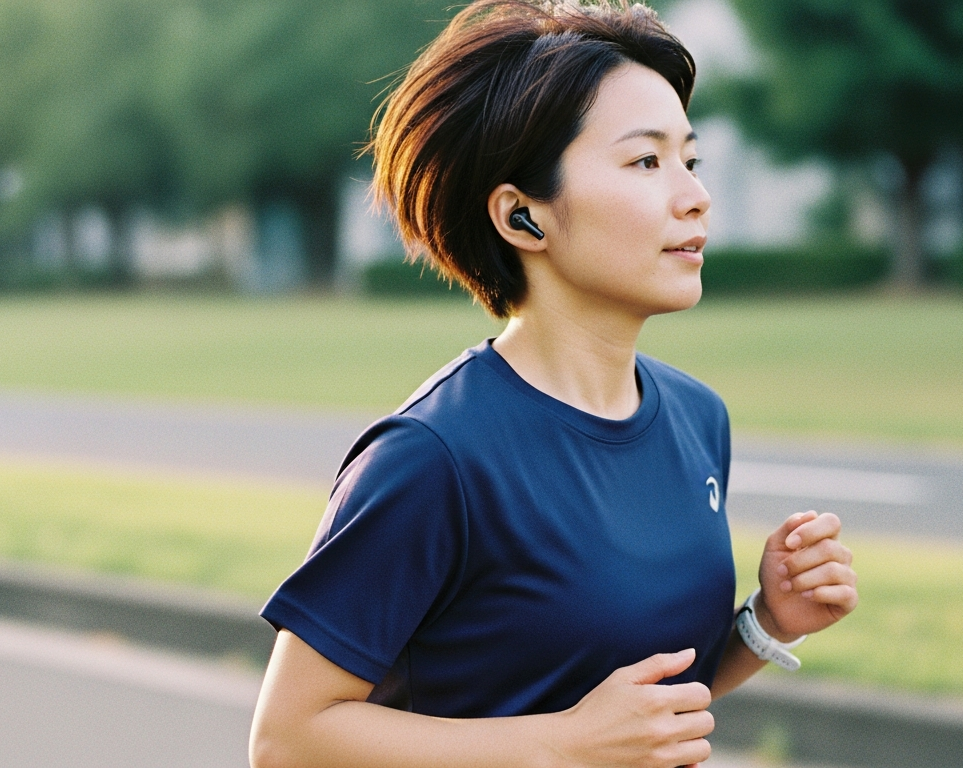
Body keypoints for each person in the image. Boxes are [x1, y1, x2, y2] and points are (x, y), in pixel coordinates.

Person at [249, 2, 858, 766]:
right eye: (645, 162)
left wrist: (767, 623)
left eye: (690, 161)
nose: (694, 195)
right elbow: (287, 738)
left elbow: (643, 705)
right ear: (523, 217)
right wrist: (561, 745)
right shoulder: (434, 457)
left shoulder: (698, 419)